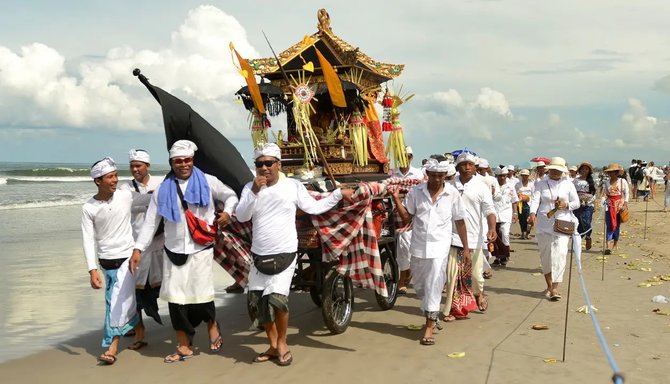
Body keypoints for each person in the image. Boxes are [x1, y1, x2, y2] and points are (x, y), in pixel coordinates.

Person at [236, 143, 353, 366]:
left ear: (278, 165)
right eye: (259, 164)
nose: (264, 168)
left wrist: (338, 194)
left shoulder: (292, 186)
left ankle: (283, 343)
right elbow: (241, 216)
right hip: (259, 254)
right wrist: (253, 191)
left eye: (269, 163)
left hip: (286, 252)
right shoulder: (249, 188)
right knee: (257, 303)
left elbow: (314, 208)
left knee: (277, 300)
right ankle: (272, 345)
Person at [131, 140, 239, 363]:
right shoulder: (162, 189)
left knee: (201, 295)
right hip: (173, 250)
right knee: (176, 300)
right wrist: (138, 249)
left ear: (192, 160)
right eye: (178, 161)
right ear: (172, 163)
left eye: (187, 160)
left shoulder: (208, 181)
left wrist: (227, 212)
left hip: (201, 248)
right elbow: (151, 223)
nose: (183, 164)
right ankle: (183, 345)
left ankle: (211, 324)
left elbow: (230, 196)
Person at [392, 159, 469, 346]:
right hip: (418, 246)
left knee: (434, 282)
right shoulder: (415, 192)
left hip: (440, 246)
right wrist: (395, 198)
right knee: (421, 286)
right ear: (427, 175)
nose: (436, 179)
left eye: (440, 176)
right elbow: (406, 217)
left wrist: (466, 248)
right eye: (433, 175)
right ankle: (431, 312)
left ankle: (429, 326)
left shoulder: (452, 194)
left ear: (445, 176)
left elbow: (459, 221)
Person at [81, 157, 141, 365]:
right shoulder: (88, 208)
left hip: (127, 259)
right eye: (110, 177)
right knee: (119, 301)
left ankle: (112, 347)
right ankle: (139, 332)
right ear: (98, 181)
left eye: (116, 176)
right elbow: (88, 239)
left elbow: (149, 202)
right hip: (106, 263)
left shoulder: (125, 196)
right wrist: (92, 270)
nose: (115, 180)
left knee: (114, 305)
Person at [118, 149, 164, 350]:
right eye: (132, 166)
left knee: (165, 289)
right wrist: (158, 196)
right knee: (134, 295)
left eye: (139, 165)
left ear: (147, 166)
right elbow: (131, 203)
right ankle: (139, 332)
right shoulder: (125, 189)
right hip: (137, 248)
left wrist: (159, 194)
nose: (135, 169)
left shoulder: (160, 183)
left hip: (161, 246)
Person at [444, 152, 497, 315]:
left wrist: (492, 228)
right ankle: (452, 310)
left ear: (475, 167)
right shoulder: (449, 186)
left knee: (475, 276)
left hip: (474, 237)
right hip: (452, 237)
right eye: (463, 165)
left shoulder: (481, 186)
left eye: (470, 164)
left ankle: (478, 294)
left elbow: (489, 210)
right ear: (457, 168)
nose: (467, 167)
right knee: (453, 275)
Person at [528, 157, 579, 301]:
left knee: (560, 254)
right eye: (554, 169)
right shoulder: (541, 184)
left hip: (563, 223)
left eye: (559, 170)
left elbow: (577, 203)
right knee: (546, 256)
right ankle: (549, 285)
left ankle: (555, 287)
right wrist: (532, 213)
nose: (556, 172)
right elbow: (535, 200)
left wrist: (566, 205)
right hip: (544, 223)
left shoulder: (568, 184)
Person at [391, 145, 425, 295]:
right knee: (403, 245)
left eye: (407, 156)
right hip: (396, 215)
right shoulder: (392, 174)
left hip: (416, 215)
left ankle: (406, 275)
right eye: (400, 156)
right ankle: (403, 275)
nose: (403, 159)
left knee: (412, 245)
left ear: (411, 158)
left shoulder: (418, 174)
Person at [492, 167, 519, 266]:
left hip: (506, 214)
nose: (502, 178)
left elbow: (514, 201)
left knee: (505, 233)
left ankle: (505, 255)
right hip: (494, 214)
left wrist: (515, 213)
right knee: (496, 237)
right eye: (500, 176)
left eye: (504, 176)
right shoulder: (492, 186)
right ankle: (498, 257)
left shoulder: (510, 187)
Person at [601, 163, 629, 254]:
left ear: (617, 172)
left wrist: (625, 204)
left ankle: (615, 243)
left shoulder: (622, 181)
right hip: (609, 205)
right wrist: (603, 202)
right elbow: (604, 194)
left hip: (619, 205)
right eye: (609, 172)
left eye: (612, 172)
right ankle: (608, 246)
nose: (611, 174)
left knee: (617, 225)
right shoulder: (606, 182)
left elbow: (627, 193)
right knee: (609, 224)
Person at [572, 162, 596, 250]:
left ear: (589, 171)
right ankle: (578, 241)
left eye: (586, 169)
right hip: (577, 204)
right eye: (582, 169)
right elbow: (572, 192)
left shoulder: (591, 181)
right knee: (577, 223)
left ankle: (588, 237)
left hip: (588, 205)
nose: (584, 170)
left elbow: (594, 194)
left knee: (586, 221)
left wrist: (587, 202)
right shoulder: (575, 181)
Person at [515, 169, 534, 239]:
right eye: (523, 175)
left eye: (526, 175)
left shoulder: (531, 184)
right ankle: (522, 233)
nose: (524, 177)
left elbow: (534, 195)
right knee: (521, 219)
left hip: (529, 203)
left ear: (528, 176)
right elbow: (515, 194)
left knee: (529, 219)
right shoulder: (518, 184)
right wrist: (520, 196)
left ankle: (528, 233)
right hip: (520, 204)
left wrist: (527, 198)